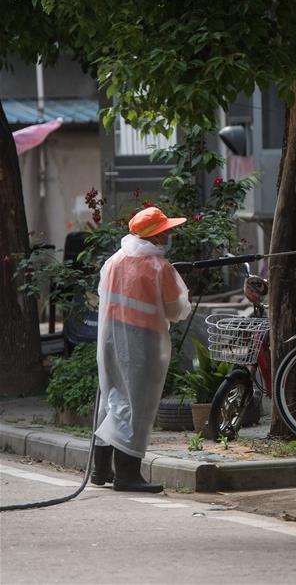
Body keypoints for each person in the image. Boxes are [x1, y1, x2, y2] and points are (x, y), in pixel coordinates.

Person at [91, 206, 192, 492]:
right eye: (166, 231)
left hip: (110, 338)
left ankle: (100, 469)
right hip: (142, 342)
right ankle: (127, 474)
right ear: (156, 236)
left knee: (112, 398)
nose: (169, 234)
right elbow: (176, 311)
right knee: (137, 404)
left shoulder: (114, 260)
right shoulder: (160, 267)